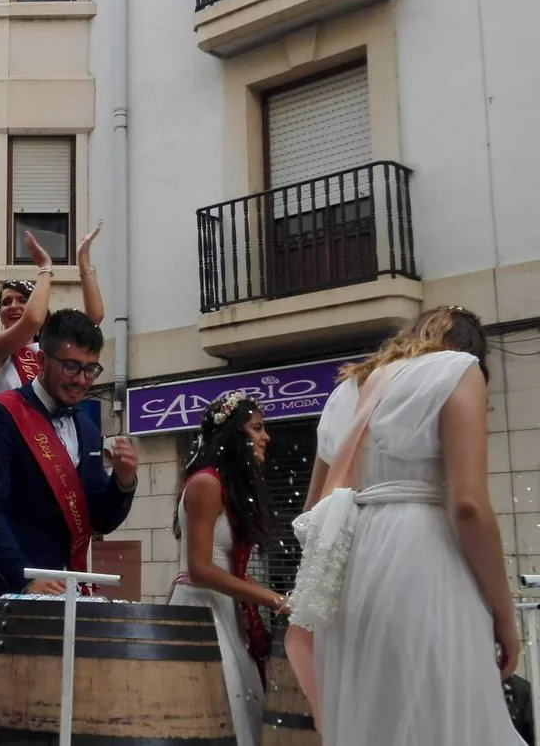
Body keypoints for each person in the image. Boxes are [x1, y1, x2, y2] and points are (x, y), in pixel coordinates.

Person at [289, 306, 523, 746]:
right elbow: (468, 506)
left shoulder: (345, 392)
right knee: (443, 711)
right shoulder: (458, 370)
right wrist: (505, 618)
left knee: (374, 716)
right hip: (423, 557)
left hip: (350, 570)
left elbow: (313, 506)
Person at [0, 309, 138, 671]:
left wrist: (124, 482)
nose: (81, 379)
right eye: (70, 366)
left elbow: (97, 518)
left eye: (90, 369)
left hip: (59, 590)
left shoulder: (87, 428)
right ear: (41, 359)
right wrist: (24, 578)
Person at [167, 392, 285, 746]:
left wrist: (276, 598)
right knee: (216, 704)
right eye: (257, 428)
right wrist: (272, 598)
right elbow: (201, 569)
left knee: (240, 703)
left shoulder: (226, 487)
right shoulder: (206, 483)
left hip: (224, 608)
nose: (266, 437)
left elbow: (229, 569)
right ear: (234, 434)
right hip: (201, 609)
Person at [0, 221, 105, 398]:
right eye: (6, 302)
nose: (14, 306)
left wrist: (83, 261)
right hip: (5, 424)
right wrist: (45, 268)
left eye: (23, 300)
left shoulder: (48, 348)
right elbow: (32, 321)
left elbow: (94, 319)